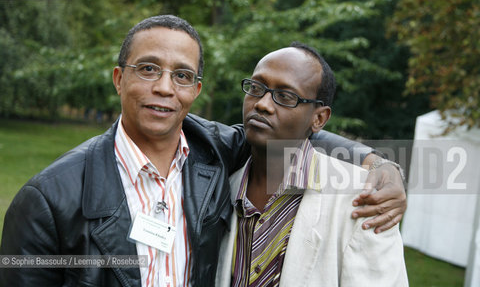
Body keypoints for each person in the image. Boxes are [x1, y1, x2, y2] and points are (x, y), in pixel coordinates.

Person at [0, 15, 405, 287]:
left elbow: (292, 135)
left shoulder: (214, 154)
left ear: (195, 90)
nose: (164, 87)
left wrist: (380, 163)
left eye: (182, 75)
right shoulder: (47, 201)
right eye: (147, 69)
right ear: (118, 78)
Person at [215, 43, 408, 286]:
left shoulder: (361, 200)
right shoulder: (220, 186)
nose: (262, 103)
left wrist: (381, 164)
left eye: (285, 96)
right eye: (256, 88)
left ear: (319, 118)